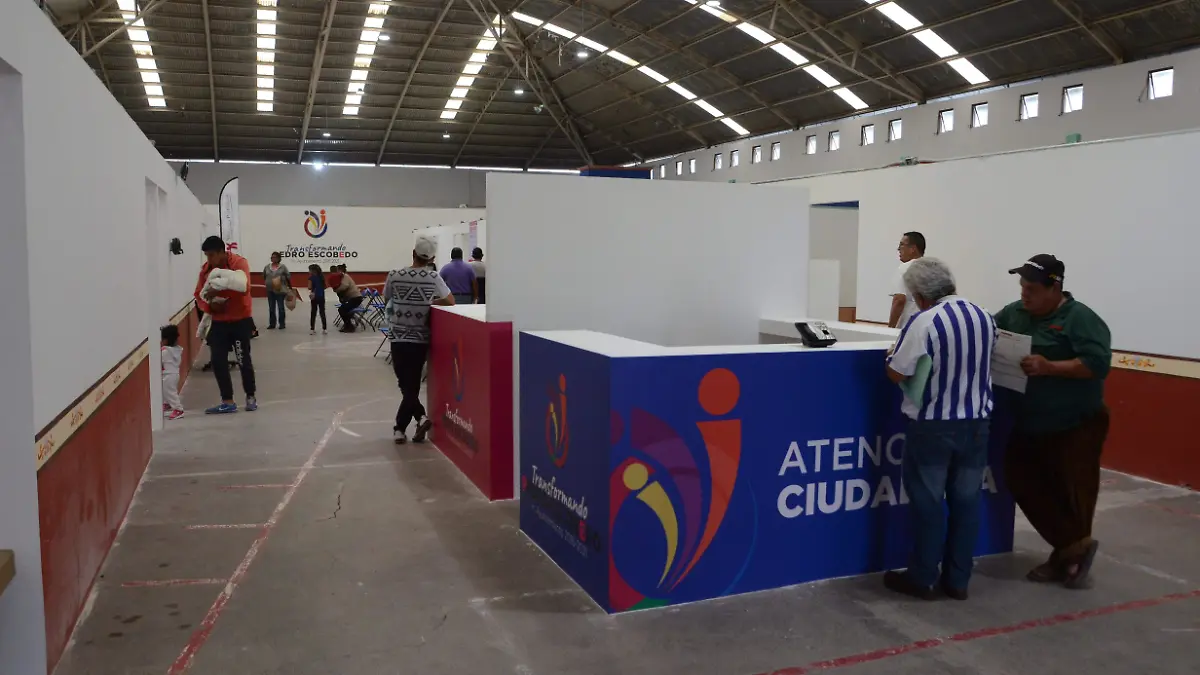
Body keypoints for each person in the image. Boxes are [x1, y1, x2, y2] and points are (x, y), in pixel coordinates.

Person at [995, 254, 1111, 589]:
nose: (1024, 294)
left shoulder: (1080, 319)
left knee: (1072, 491)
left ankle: (1067, 558)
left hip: (1075, 422)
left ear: (1054, 287)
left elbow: (1097, 364)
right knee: (1021, 479)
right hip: (1030, 419)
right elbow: (990, 332)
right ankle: (1075, 549)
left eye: (1031, 288)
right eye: (1021, 287)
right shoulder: (1014, 313)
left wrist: (1051, 367)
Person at [883, 257, 996, 601]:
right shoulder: (984, 317)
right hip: (977, 424)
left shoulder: (924, 322)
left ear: (918, 293)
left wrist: (890, 359)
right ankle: (958, 581)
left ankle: (923, 578)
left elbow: (898, 372)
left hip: (934, 426)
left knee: (929, 504)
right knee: (966, 504)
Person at [383, 234, 455, 444]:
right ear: (432, 259)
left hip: (398, 337)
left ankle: (407, 424)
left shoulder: (394, 275)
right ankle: (408, 423)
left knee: (405, 384)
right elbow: (450, 301)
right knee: (411, 384)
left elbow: (387, 297)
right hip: (420, 339)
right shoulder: (432, 278)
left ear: (413, 253)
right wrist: (427, 301)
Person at [195, 235, 257, 414]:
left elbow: (246, 288)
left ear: (223, 252)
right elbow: (198, 293)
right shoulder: (206, 270)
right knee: (217, 361)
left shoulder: (239, 264)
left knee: (243, 359)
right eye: (207, 256)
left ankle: (250, 396)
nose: (210, 260)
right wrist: (210, 305)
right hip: (219, 322)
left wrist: (222, 292)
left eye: (212, 255)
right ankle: (227, 401)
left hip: (240, 320)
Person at [889, 231, 926, 328]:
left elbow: (899, 300)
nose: (898, 249)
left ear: (913, 249)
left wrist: (890, 328)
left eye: (901, 245)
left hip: (908, 326)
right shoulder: (932, 269)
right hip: (927, 325)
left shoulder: (904, 268)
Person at [161, 324, 185, 421]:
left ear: (165, 340)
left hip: (168, 375)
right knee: (166, 391)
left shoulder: (164, 352)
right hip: (174, 374)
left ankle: (179, 409)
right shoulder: (177, 350)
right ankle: (167, 403)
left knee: (170, 392)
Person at [263, 252, 291, 330]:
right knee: (271, 307)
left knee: (280, 307)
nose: (273, 259)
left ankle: (282, 323)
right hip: (270, 290)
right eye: (272, 257)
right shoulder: (267, 267)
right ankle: (272, 324)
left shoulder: (283, 267)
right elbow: (264, 276)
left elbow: (288, 276)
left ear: (279, 258)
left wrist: (281, 279)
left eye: (275, 257)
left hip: (280, 290)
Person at [333, 264, 364, 333]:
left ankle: (349, 326)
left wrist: (337, 289)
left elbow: (345, 286)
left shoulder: (345, 276)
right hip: (352, 298)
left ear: (340, 270)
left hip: (355, 298)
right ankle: (348, 325)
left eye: (337, 270)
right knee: (344, 309)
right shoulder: (342, 277)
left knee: (342, 309)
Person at [307, 264, 327, 334]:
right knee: (322, 312)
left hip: (314, 297)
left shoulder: (311, 278)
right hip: (321, 296)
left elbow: (309, 287)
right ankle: (324, 329)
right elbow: (325, 287)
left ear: (313, 270)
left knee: (313, 312)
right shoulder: (322, 277)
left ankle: (312, 329)